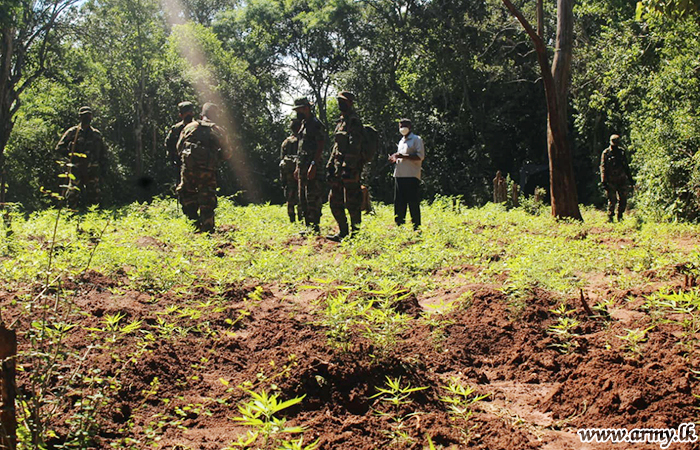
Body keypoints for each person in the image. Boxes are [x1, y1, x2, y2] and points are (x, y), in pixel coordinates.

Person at [176, 102, 232, 233]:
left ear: (202, 115)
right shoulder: (218, 130)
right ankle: (208, 231)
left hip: (188, 169)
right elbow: (228, 153)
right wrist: (214, 158)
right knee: (207, 201)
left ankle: (193, 227)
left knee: (187, 196)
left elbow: (179, 148)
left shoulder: (189, 127)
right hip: (207, 172)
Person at [326, 91, 364, 241]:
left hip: (350, 169)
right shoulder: (340, 122)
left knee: (352, 202)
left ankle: (355, 234)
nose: (339, 103)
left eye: (343, 101)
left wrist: (348, 167)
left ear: (350, 103)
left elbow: (356, 145)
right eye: (339, 100)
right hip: (337, 167)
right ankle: (342, 232)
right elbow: (336, 146)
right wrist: (330, 164)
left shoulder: (354, 121)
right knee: (334, 200)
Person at [55, 106, 107, 208]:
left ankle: (94, 216)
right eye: (84, 115)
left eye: (88, 115)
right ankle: (71, 215)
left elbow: (103, 153)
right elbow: (59, 148)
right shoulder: (73, 132)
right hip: (76, 168)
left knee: (94, 193)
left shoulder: (96, 134)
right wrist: (71, 156)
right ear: (80, 117)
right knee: (73, 193)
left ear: (91, 117)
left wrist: (104, 167)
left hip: (92, 168)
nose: (86, 117)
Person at [293, 97, 326, 234]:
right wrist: (297, 166)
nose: (297, 112)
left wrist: (313, 164)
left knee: (313, 195)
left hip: (312, 165)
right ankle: (308, 226)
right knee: (303, 197)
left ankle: (315, 226)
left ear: (306, 108)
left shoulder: (315, 124)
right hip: (302, 165)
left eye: (299, 109)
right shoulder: (304, 123)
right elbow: (301, 147)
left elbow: (320, 145)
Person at [389, 118, 425, 229]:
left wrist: (402, 156)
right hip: (399, 175)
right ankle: (399, 225)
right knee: (399, 202)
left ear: (410, 127)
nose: (402, 128)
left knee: (413, 202)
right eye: (400, 126)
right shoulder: (401, 141)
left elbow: (420, 156)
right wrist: (394, 158)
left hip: (411, 175)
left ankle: (416, 226)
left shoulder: (416, 139)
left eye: (405, 125)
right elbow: (400, 155)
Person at [600, 134, 633, 222]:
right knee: (612, 200)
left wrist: (630, 179)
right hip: (611, 181)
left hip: (621, 180)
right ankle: (610, 217)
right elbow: (603, 167)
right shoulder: (606, 153)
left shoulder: (621, 152)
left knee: (623, 199)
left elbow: (626, 166)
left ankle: (620, 216)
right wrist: (603, 180)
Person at [164, 101, 196, 186]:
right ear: (181, 115)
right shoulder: (176, 129)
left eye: (189, 113)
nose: (188, 115)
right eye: (186, 113)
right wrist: (173, 158)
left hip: (197, 165)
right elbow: (168, 143)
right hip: (181, 165)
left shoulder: (199, 127)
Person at [280, 118, 303, 223]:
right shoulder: (302, 140)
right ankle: (301, 218)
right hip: (300, 172)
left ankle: (292, 219)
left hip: (288, 173)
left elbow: (282, 159)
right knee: (301, 195)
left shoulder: (286, 142)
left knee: (290, 196)